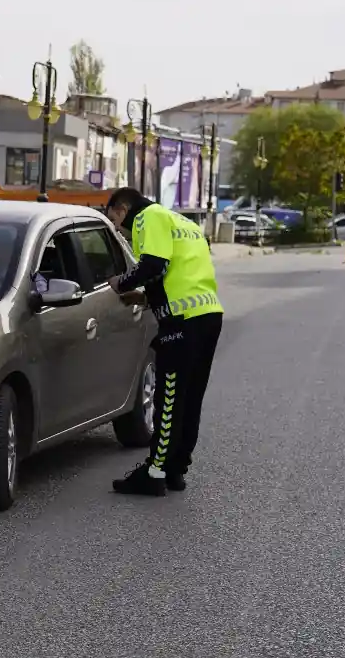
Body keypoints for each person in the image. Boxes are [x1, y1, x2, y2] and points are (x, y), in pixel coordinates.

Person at [103, 187, 225, 497]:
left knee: (169, 396)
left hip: (181, 323)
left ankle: (155, 472)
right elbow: (178, 275)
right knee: (190, 396)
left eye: (116, 222)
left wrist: (122, 283)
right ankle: (176, 469)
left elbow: (155, 265)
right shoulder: (184, 223)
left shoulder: (147, 217)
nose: (121, 231)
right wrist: (144, 298)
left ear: (122, 208)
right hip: (207, 315)